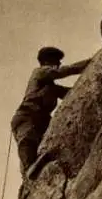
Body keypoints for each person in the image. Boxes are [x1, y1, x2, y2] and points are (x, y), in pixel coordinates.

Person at [11, 46, 90, 175]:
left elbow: (69, 93)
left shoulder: (50, 87)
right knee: (28, 139)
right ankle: (28, 167)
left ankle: (32, 169)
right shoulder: (39, 72)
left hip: (39, 119)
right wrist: (90, 63)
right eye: (56, 61)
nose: (59, 64)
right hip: (27, 115)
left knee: (37, 142)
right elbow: (65, 71)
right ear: (47, 62)